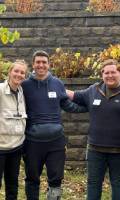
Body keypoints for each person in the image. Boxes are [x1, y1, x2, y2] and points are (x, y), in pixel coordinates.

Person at [67, 59, 120, 200]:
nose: (109, 75)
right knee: (93, 183)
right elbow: (75, 96)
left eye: (113, 72)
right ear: (102, 74)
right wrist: (54, 87)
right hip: (95, 149)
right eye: (106, 73)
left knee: (118, 184)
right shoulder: (94, 89)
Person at [21, 50, 87, 200]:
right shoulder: (24, 85)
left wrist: (88, 107)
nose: (41, 65)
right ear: (33, 64)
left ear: (49, 65)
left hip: (55, 142)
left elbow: (68, 105)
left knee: (56, 179)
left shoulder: (57, 83)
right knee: (32, 178)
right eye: (38, 62)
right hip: (32, 142)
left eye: (44, 62)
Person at [0, 60, 28, 200]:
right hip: (0, 147)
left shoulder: (23, 92)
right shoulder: (0, 90)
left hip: (16, 148)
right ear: (10, 72)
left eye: (22, 72)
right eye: (16, 71)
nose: (19, 74)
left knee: (12, 185)